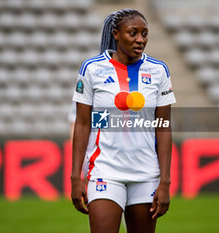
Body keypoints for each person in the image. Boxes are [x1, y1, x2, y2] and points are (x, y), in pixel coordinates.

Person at [71, 9, 176, 233]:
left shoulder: (159, 71)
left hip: (146, 175)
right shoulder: (92, 69)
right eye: (133, 33)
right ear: (116, 34)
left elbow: (164, 129)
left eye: (145, 34)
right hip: (105, 171)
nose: (140, 39)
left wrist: (165, 181)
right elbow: (82, 124)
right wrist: (76, 176)